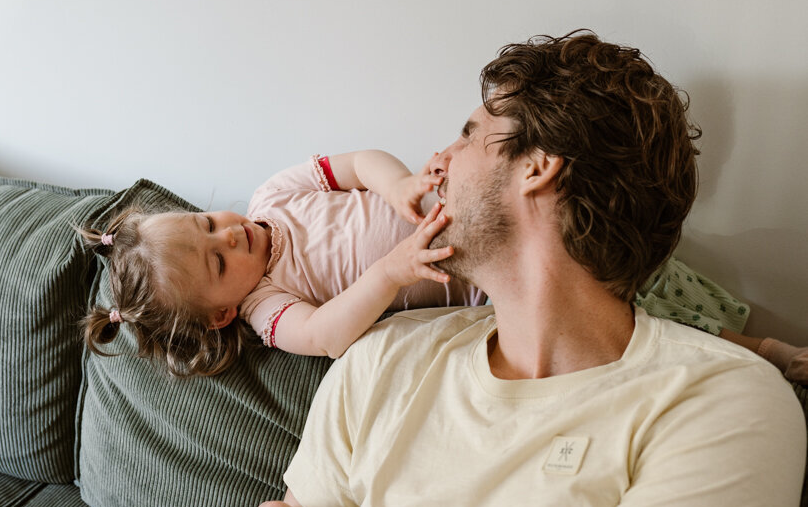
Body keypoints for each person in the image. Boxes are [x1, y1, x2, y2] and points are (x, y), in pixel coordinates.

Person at [204, 31, 806, 507]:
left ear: (538, 166)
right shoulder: (382, 357)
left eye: (467, 133)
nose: (438, 157)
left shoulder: (724, 401)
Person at [78, 153, 808, 383]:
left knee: (621, 266)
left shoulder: (274, 196)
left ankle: (745, 337)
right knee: (622, 327)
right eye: (216, 258)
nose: (233, 235)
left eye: (212, 221)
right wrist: (392, 273)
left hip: (482, 224)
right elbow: (328, 334)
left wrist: (394, 186)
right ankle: (762, 359)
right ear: (220, 312)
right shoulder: (272, 304)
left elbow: (357, 160)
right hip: (487, 290)